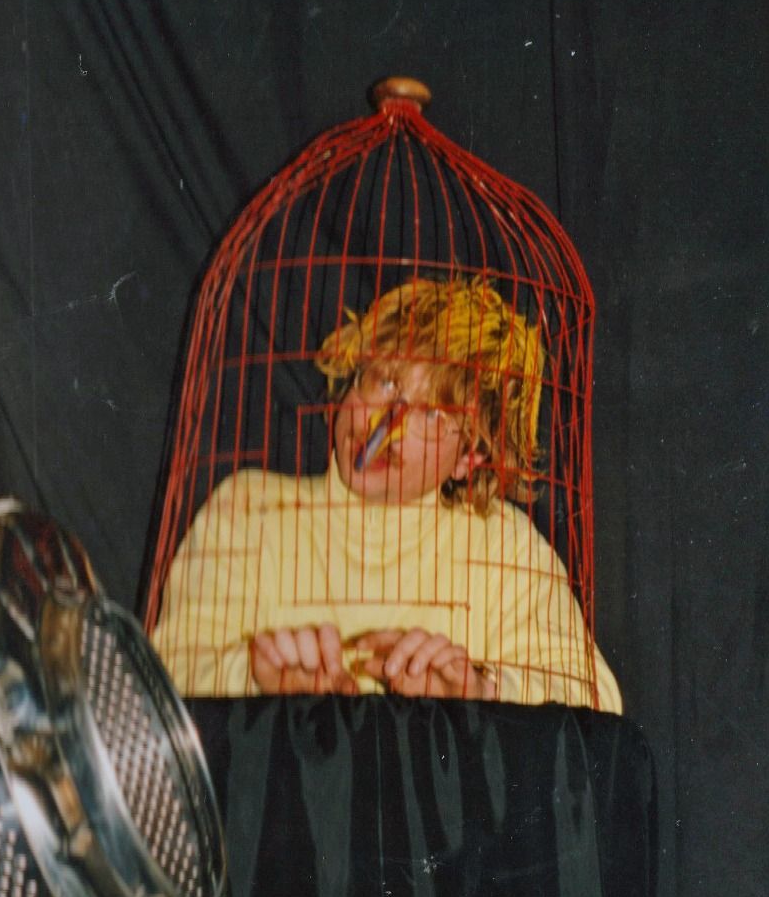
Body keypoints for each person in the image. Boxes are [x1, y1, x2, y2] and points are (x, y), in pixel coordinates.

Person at [152, 276, 621, 711]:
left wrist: (481, 691)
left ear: (470, 457)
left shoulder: (505, 547)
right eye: (384, 381)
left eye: (432, 414)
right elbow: (160, 676)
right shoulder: (249, 509)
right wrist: (257, 680)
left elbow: (597, 698)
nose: (385, 425)